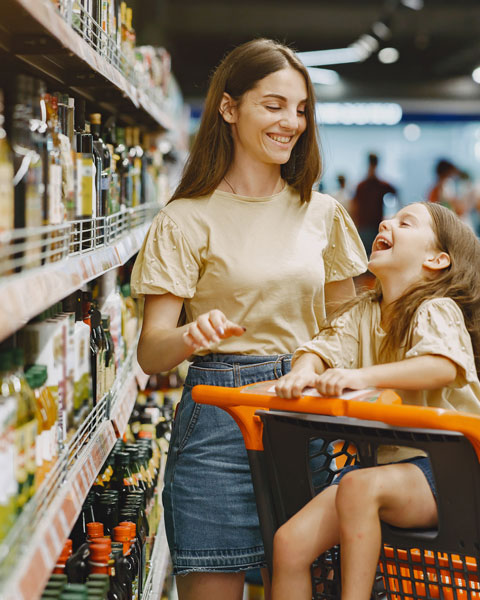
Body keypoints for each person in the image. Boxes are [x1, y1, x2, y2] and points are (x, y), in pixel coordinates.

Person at [130, 38, 367, 600]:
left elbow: (348, 329)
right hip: (219, 424)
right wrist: (190, 334)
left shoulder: (323, 213)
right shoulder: (185, 219)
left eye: (302, 109)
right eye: (274, 105)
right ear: (229, 108)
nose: (292, 122)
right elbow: (150, 352)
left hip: (311, 417)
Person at [272, 202, 480, 600]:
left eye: (406, 222)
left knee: (358, 487)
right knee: (290, 543)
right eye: (389, 218)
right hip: (384, 475)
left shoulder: (436, 308)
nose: (385, 221)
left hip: (453, 471)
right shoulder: (363, 312)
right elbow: (320, 349)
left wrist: (360, 376)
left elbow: (441, 366)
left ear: (437, 259)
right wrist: (302, 374)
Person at [351, 152, 396, 255]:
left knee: (369, 256)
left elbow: (355, 207)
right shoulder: (365, 185)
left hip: (372, 225)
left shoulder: (365, 185)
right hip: (367, 226)